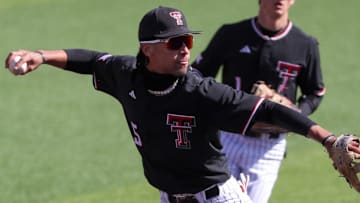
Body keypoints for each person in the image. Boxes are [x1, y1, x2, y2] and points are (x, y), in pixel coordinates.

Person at [5, 6, 357, 203]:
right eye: (175, 43)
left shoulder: (200, 91)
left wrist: (326, 139)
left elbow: (267, 110)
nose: (185, 48)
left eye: (187, 40)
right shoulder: (125, 73)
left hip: (219, 198)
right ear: (148, 50)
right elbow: (91, 60)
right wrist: (40, 55)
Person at [191, 0, 326, 202]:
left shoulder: (305, 45)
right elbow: (197, 75)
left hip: (268, 150)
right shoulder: (231, 34)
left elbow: (315, 92)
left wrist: (295, 115)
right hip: (226, 138)